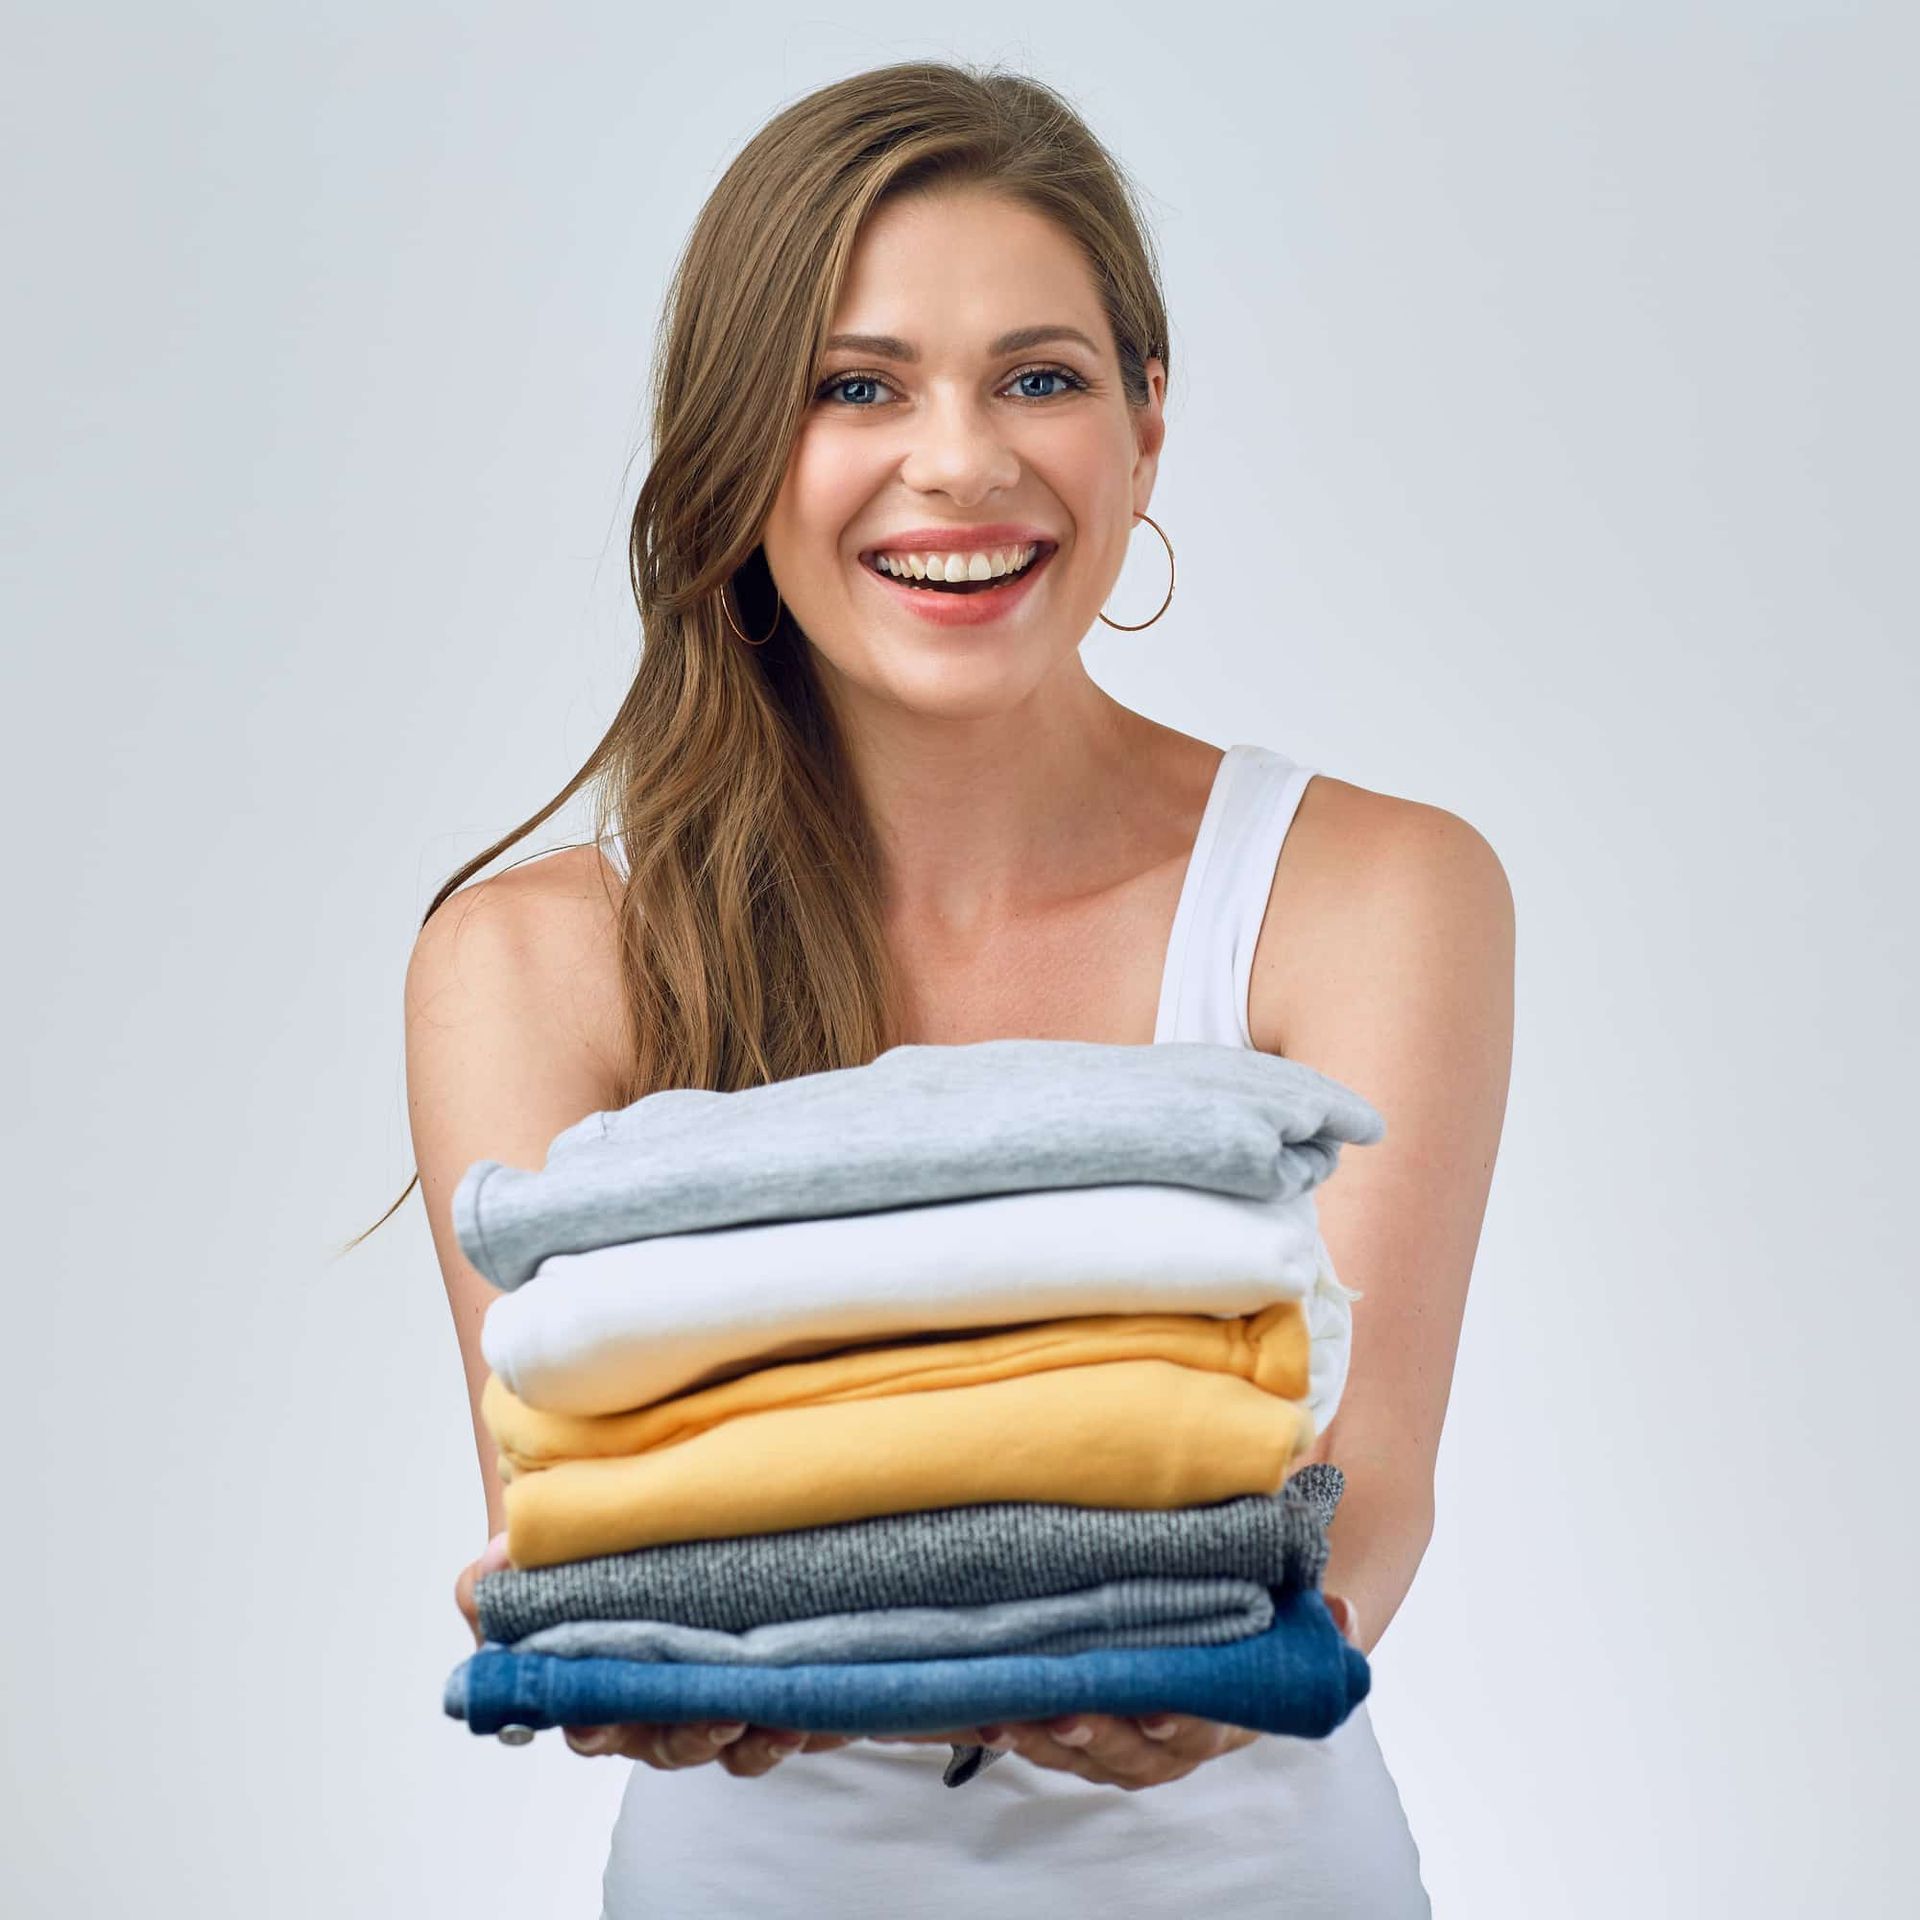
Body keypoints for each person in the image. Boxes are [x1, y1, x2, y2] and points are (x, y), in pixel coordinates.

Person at [391, 58, 1513, 1918]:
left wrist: (1221, 1677)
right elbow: (573, 1510)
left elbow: (1358, 1497)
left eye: (1042, 379)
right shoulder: (528, 964)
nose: (962, 461)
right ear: (739, 442)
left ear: (1148, 428)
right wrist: (610, 1629)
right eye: (857, 385)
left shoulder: (1372, 892)